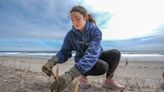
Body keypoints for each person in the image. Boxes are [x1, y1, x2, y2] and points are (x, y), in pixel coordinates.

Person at [42, 5, 125, 92]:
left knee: (115, 53)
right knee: (103, 67)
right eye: (72, 20)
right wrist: (52, 61)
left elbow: (92, 54)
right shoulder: (70, 35)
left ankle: (109, 81)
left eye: (77, 19)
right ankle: (83, 76)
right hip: (81, 59)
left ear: (85, 17)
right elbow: (64, 52)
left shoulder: (95, 31)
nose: (74, 22)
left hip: (95, 56)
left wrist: (71, 74)